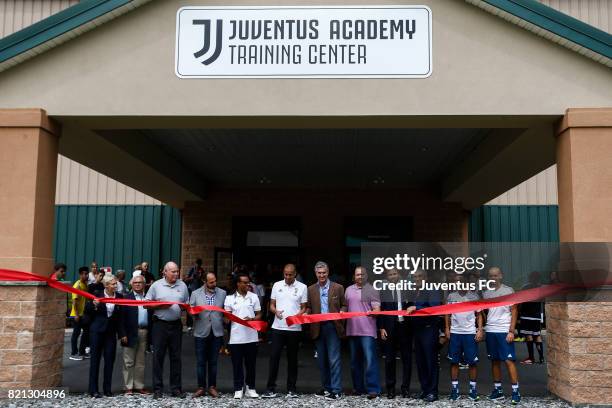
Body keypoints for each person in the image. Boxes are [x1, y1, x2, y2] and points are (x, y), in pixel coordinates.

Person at [145, 261, 189, 399]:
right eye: (173, 272)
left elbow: (186, 304)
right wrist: (159, 306)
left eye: (177, 271)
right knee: (158, 357)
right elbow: (146, 304)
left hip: (176, 325)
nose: (176, 274)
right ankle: (157, 389)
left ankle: (176, 389)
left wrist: (185, 308)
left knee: (176, 358)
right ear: (165, 272)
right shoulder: (156, 285)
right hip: (160, 325)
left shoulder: (182, 285)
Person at [262, 263, 307, 398]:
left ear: (295, 274)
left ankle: (291, 389)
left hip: (294, 328)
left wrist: (298, 315)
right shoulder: (277, 285)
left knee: (292, 359)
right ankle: (270, 388)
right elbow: (271, 305)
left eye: (290, 275)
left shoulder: (302, 287)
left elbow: (304, 307)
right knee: (274, 358)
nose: (287, 277)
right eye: (285, 274)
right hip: (278, 327)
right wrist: (275, 311)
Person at [307, 261, 346, 400]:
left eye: (324, 272)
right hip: (317, 327)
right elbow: (310, 307)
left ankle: (336, 390)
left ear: (328, 273)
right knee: (322, 360)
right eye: (319, 273)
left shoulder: (338, 287)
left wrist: (342, 311)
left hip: (333, 326)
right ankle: (326, 388)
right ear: (315, 274)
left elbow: (344, 305)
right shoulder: (310, 289)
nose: (322, 275)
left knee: (334, 359)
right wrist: (306, 313)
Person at [483, 266, 520, 404]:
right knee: (495, 360)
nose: (492, 278)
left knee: (508, 361)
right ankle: (498, 391)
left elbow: (514, 311)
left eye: (495, 275)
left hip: (504, 330)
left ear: (501, 276)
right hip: (491, 330)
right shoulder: (486, 293)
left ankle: (516, 391)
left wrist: (511, 330)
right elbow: (485, 312)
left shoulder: (508, 290)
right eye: (490, 276)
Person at [444, 273, 483, 401]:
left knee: (472, 362)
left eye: (462, 282)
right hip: (455, 332)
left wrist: (480, 330)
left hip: (470, 333)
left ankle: (473, 390)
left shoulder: (474, 296)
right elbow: (447, 314)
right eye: (457, 282)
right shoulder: (451, 296)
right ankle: (455, 390)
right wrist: (447, 328)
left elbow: (479, 315)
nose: (459, 284)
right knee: (454, 362)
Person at [86, 274, 126, 398]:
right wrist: (95, 305)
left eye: (116, 283)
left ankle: (107, 389)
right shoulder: (97, 294)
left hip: (110, 333)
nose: (116, 285)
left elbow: (120, 318)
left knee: (109, 361)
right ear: (106, 285)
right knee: (95, 361)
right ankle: (93, 390)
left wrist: (122, 334)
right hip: (97, 332)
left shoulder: (119, 297)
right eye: (113, 284)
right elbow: (87, 310)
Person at [345, 266, 381, 399]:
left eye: (362, 274)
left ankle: (373, 389)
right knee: (355, 362)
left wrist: (374, 312)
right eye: (357, 275)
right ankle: (358, 388)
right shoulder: (348, 290)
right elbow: (345, 308)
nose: (360, 277)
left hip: (367, 332)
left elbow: (377, 309)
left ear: (366, 276)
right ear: (354, 276)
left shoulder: (371, 290)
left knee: (370, 361)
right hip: (352, 331)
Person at [224, 272, 262, 399]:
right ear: (238, 283)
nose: (247, 284)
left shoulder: (254, 297)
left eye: (248, 282)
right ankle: (238, 388)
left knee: (251, 364)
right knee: (237, 365)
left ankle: (250, 388)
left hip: (251, 336)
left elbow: (259, 314)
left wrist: (252, 319)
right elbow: (227, 318)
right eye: (245, 282)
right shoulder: (229, 298)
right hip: (235, 338)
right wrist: (226, 319)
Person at [190, 272, 227, 398]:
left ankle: (212, 387)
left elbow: (226, 311)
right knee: (201, 362)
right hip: (201, 332)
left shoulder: (222, 293)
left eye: (215, 281)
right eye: (211, 282)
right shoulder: (195, 294)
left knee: (213, 362)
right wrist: (193, 312)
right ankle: (201, 387)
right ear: (204, 282)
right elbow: (191, 311)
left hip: (216, 332)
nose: (214, 284)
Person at [408, 270, 442, 402]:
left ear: (426, 277)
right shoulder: (414, 291)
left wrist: (416, 307)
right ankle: (425, 390)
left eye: (419, 276)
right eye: (415, 277)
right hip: (418, 330)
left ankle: (433, 392)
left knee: (430, 361)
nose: (417, 279)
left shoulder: (432, 288)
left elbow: (434, 308)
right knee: (420, 361)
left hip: (429, 330)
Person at [379, 268, 413, 399]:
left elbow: (412, 304)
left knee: (407, 359)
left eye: (394, 273)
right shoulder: (383, 290)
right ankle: (391, 389)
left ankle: (405, 389)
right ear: (387, 277)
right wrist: (381, 328)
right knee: (389, 360)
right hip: (389, 328)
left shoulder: (407, 288)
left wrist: (411, 306)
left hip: (405, 327)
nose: (393, 276)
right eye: (390, 274)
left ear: (398, 274)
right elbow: (381, 309)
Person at [121, 274, 152, 395]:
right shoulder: (126, 298)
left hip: (144, 331)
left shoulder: (148, 298)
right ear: (131, 284)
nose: (138, 284)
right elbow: (121, 319)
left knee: (141, 361)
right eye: (135, 283)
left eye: (140, 282)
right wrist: (122, 333)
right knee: (128, 361)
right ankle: (128, 387)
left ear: (144, 284)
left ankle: (139, 386)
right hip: (129, 332)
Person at [519, 272, 544, 364]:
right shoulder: (541, 289)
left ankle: (531, 358)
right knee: (537, 336)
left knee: (529, 335)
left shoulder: (525, 287)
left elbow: (520, 300)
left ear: (530, 278)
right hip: (536, 316)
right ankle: (541, 358)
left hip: (526, 315)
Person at [70, 266, 90, 361]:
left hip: (83, 314)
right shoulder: (77, 285)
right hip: (76, 315)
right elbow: (74, 301)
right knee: (76, 334)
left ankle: (82, 352)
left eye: (87, 274)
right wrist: (77, 314)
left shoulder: (85, 285)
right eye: (84, 274)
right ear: (80, 274)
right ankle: (73, 353)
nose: (86, 275)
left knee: (86, 333)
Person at [184, 258, 204, 331]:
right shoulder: (192, 269)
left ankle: (198, 324)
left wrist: (201, 277)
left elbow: (202, 280)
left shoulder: (201, 270)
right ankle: (189, 324)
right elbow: (185, 279)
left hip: (198, 291)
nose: (198, 265)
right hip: (191, 290)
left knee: (198, 306)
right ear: (195, 263)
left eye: (199, 264)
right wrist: (192, 277)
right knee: (190, 306)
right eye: (197, 264)